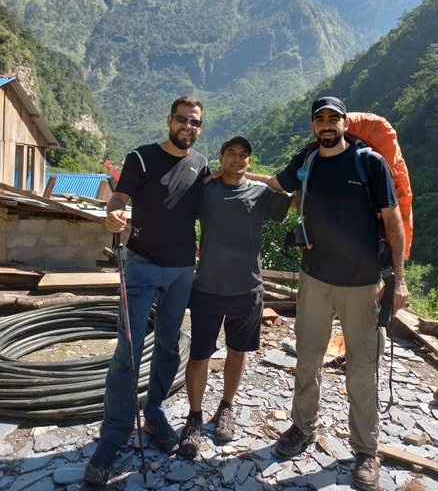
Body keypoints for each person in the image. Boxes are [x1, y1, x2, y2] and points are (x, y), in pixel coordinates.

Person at [242, 97, 409, 491]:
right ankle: (302, 427)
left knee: (362, 366)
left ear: (345, 122)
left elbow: (393, 219)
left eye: (334, 118)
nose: (327, 124)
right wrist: (231, 175)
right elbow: (275, 183)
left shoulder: (369, 163)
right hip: (314, 278)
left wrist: (398, 279)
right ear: (313, 126)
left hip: (362, 281)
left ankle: (366, 450)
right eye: (320, 119)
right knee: (308, 358)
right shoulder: (307, 163)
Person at [85, 95, 209, 485]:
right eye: (182, 120)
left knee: (169, 347)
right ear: (169, 120)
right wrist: (113, 213)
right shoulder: (140, 158)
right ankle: (114, 434)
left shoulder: (201, 163)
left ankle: (153, 414)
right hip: (141, 266)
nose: (188, 127)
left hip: (181, 270)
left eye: (195, 122)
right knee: (129, 348)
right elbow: (120, 197)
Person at [178, 136, 293, 457]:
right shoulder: (206, 191)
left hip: (248, 290)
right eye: (232, 154)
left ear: (250, 161)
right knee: (199, 356)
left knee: (237, 352)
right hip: (208, 289)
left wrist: (253, 178)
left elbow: (296, 200)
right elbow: (176, 196)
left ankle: (226, 408)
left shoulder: (260, 194)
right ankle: (195, 417)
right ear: (221, 157)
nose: (238, 159)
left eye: (244, 155)